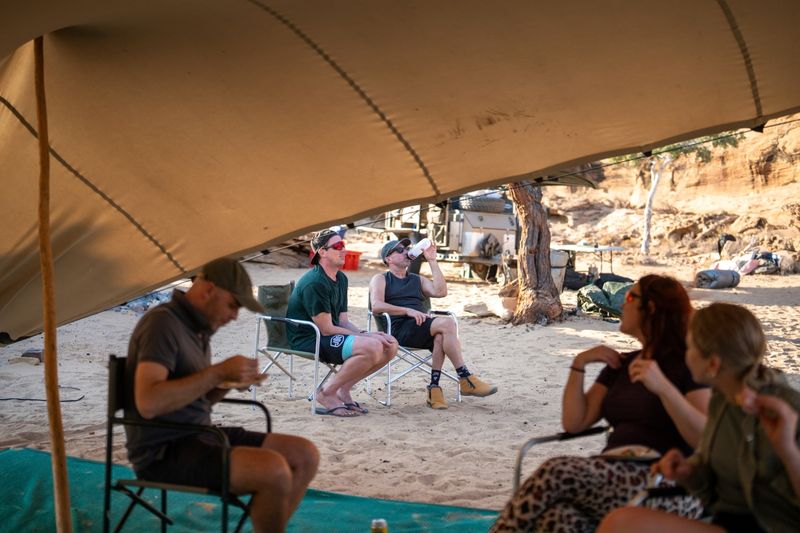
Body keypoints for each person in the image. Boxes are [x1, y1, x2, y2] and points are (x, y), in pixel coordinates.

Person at [491, 275, 710, 532]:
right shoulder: (623, 364)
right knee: (559, 518)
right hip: (612, 472)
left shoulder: (688, 366)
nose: (623, 305)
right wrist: (579, 364)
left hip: (663, 483)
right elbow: (575, 423)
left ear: (650, 308)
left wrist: (664, 388)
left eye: (630, 297)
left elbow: (704, 438)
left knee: (557, 471)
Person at [125, 257, 319, 533]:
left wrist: (225, 383)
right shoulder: (162, 324)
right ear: (208, 290)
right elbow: (149, 402)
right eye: (233, 304)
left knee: (304, 454)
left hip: (197, 434)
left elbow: (192, 399)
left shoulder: (195, 329)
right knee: (273, 470)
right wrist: (216, 374)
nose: (234, 316)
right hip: (162, 451)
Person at [599, 303, 800, 533]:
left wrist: (787, 450)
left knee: (621, 524)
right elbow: (715, 484)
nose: (686, 354)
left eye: (690, 347)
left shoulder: (785, 409)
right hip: (727, 522)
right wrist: (688, 472)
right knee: (621, 522)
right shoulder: (722, 400)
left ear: (713, 364)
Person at [369, 238, 497, 409]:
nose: (406, 251)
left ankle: (434, 389)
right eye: (399, 250)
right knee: (448, 323)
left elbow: (441, 291)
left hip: (420, 327)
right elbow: (376, 306)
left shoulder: (417, 279)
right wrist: (407, 311)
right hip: (397, 330)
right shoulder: (381, 279)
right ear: (388, 259)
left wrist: (432, 260)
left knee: (440, 337)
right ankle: (465, 377)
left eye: (406, 248)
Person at [286, 229, 397, 417]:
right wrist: (365, 337)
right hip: (308, 337)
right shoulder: (315, 282)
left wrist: (367, 333)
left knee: (390, 344)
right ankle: (326, 393)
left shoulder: (341, 278)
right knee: (371, 347)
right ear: (322, 252)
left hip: (327, 334)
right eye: (338, 246)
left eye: (343, 246)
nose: (343, 250)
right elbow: (326, 328)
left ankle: (342, 390)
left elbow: (343, 320)